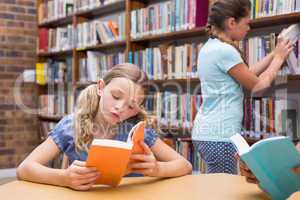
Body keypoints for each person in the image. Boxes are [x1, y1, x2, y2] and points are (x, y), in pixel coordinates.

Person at [17, 63, 192, 191]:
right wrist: (64, 178)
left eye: (131, 106)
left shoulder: (137, 130)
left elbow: (184, 165)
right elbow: (25, 169)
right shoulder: (71, 126)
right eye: (116, 96)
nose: (120, 108)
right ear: (101, 87)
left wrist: (158, 169)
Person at [192, 0, 293, 174]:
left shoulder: (210, 47)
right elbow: (258, 85)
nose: (249, 28)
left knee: (218, 187)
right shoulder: (225, 51)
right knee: (224, 191)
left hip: (207, 133)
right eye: (246, 23)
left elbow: (246, 74)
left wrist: (274, 54)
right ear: (232, 22)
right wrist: (279, 59)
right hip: (220, 137)